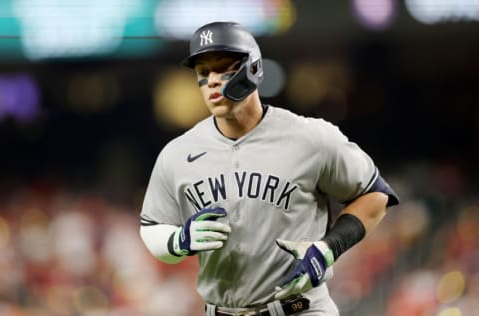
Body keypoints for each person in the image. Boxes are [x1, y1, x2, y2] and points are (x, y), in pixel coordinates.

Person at [140, 21, 399, 316]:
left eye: (223, 67)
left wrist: (329, 248)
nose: (212, 81)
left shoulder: (310, 137)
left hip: (300, 309)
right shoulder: (177, 153)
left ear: (253, 69)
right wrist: (178, 240)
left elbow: (375, 194)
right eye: (203, 73)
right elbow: (151, 226)